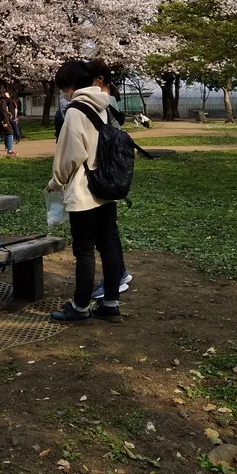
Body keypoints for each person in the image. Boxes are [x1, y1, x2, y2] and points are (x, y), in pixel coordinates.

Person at [47, 60, 123, 324]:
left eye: (63, 87)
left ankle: (80, 307)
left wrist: (55, 183)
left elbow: (69, 155)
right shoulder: (104, 105)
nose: (63, 93)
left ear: (71, 86)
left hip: (83, 191)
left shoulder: (75, 111)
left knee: (84, 251)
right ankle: (111, 304)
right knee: (109, 246)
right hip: (106, 187)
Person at [87, 60, 133, 302]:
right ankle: (120, 273)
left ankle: (114, 279)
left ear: (99, 80)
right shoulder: (108, 101)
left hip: (102, 172)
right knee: (108, 230)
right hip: (111, 172)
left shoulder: (101, 102)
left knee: (104, 233)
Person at [0, 87, 16, 157]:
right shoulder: (2, 101)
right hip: (2, 121)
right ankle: (9, 150)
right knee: (10, 134)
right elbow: (4, 111)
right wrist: (5, 121)